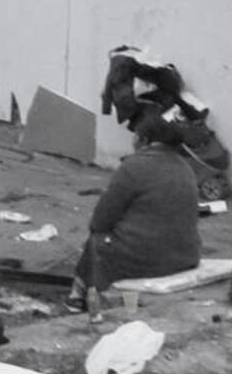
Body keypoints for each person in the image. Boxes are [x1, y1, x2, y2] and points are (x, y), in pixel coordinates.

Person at [66, 114, 201, 313]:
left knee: (97, 242)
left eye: (135, 136)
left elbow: (100, 222)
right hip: (186, 258)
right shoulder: (186, 168)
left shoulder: (134, 166)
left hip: (146, 261)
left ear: (144, 139)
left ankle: (78, 298)